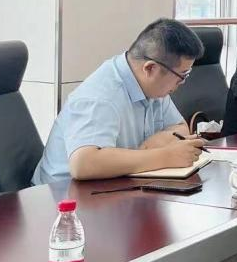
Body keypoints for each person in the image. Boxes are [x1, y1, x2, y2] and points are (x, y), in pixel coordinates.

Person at [33, 19, 206, 184]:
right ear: (150, 68)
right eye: (182, 75)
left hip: (114, 186)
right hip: (62, 195)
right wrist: (165, 156)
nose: (182, 83)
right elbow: (83, 164)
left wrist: (152, 146)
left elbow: (180, 128)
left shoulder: (153, 87)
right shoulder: (100, 96)